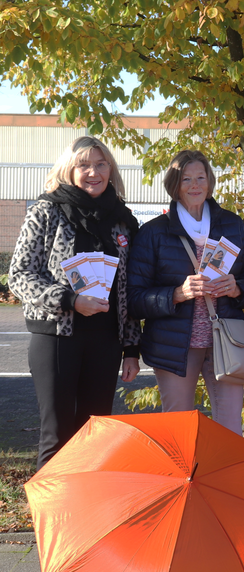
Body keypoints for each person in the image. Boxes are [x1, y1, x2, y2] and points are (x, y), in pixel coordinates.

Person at [9, 136, 140, 469]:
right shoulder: (47, 210)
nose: (92, 172)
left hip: (106, 340)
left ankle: (87, 518)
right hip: (57, 337)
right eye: (83, 165)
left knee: (94, 434)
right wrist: (70, 300)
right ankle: (52, 520)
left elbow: (128, 288)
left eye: (100, 164)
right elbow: (20, 276)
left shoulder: (122, 220)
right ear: (69, 169)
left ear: (111, 169)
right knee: (58, 434)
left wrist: (131, 348)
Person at [128, 150, 244, 435]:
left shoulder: (233, 226)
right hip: (174, 347)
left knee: (230, 429)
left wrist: (238, 288)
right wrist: (176, 293)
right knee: (179, 429)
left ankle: (225, 481)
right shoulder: (154, 233)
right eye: (186, 179)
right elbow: (133, 298)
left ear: (210, 182)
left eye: (201, 177)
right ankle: (184, 480)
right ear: (174, 185)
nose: (195, 185)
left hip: (225, 343)